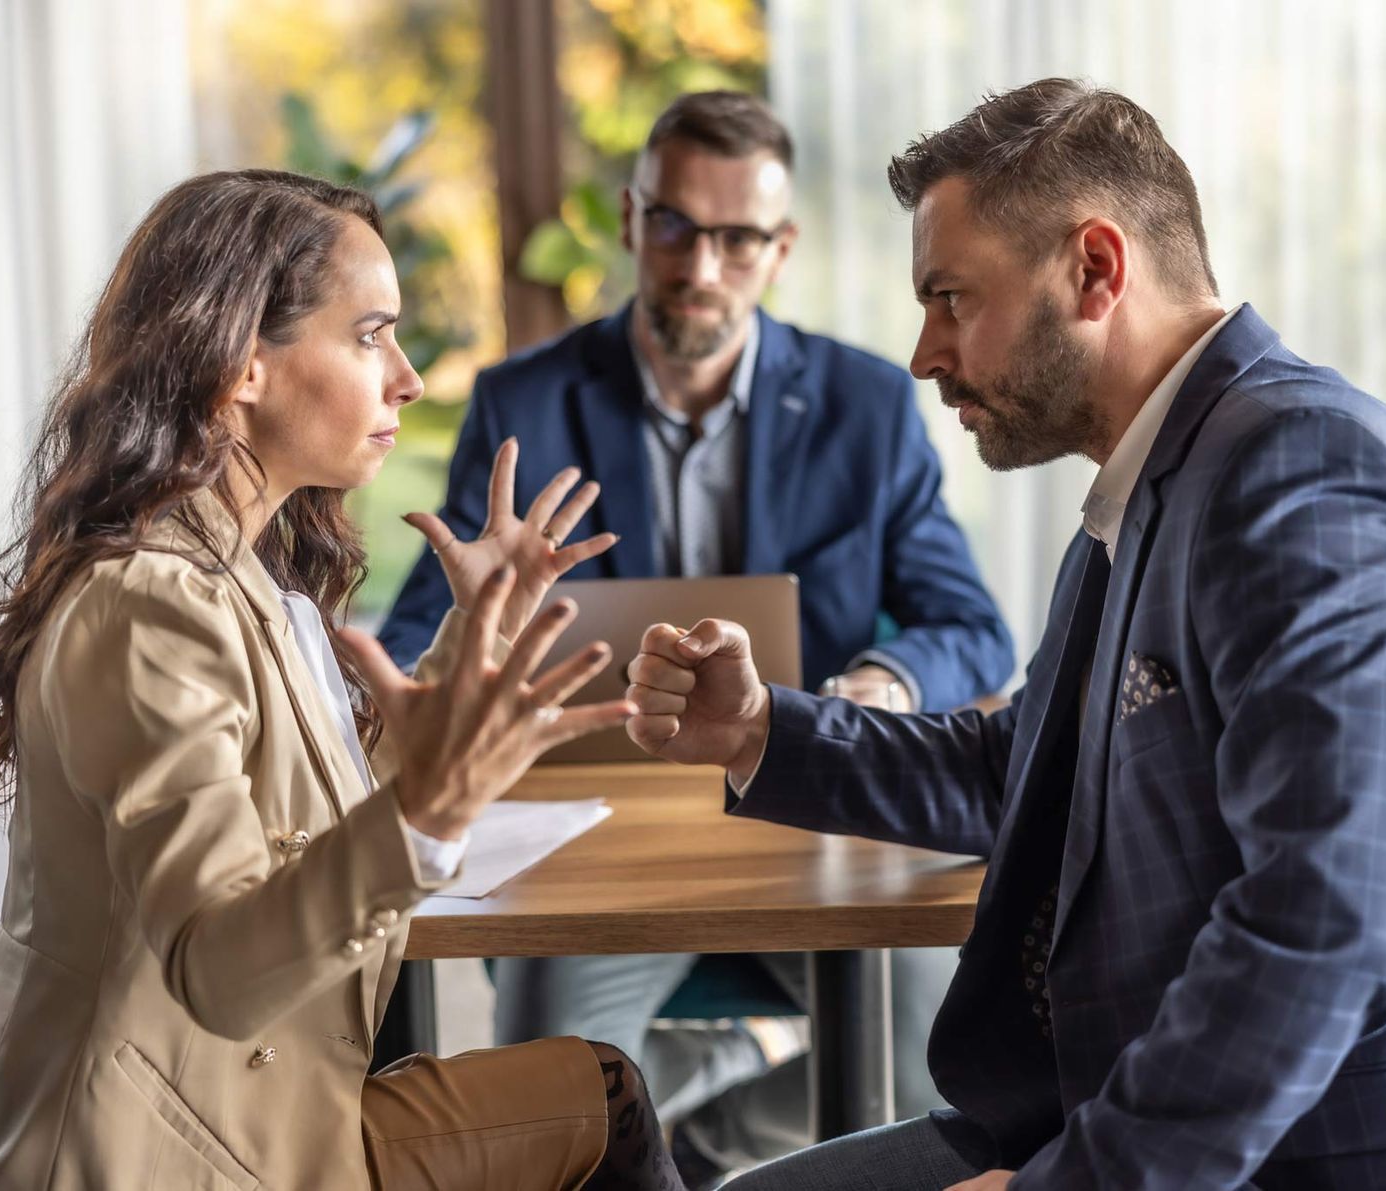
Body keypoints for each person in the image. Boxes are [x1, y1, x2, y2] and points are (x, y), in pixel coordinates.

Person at [622, 80, 1386, 1190]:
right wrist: (756, 729)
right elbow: (1021, 770)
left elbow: (1328, 919)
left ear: (1096, 269)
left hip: (1380, 1153)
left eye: (948, 298)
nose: (925, 353)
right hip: (1190, 1113)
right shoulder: (1160, 482)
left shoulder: (1307, 477)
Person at [0, 169, 684, 1190]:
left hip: (256, 1108)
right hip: (153, 1154)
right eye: (370, 335)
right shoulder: (149, 605)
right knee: (603, 1095)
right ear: (241, 366)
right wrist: (423, 821)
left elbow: (318, 817)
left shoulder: (239, 573)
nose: (407, 376)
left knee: (599, 1085)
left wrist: (469, 636)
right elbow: (220, 972)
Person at [378, 91, 1013, 1174]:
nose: (699, 266)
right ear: (630, 221)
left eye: (735, 238)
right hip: (596, 838)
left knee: (949, 1053)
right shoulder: (521, 402)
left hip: (816, 819)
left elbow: (969, 625)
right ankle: (680, 1132)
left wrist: (878, 685)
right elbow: (419, 631)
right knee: (543, 1086)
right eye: (674, 225)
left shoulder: (863, 405)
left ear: (780, 249)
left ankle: (701, 1135)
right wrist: (446, 657)